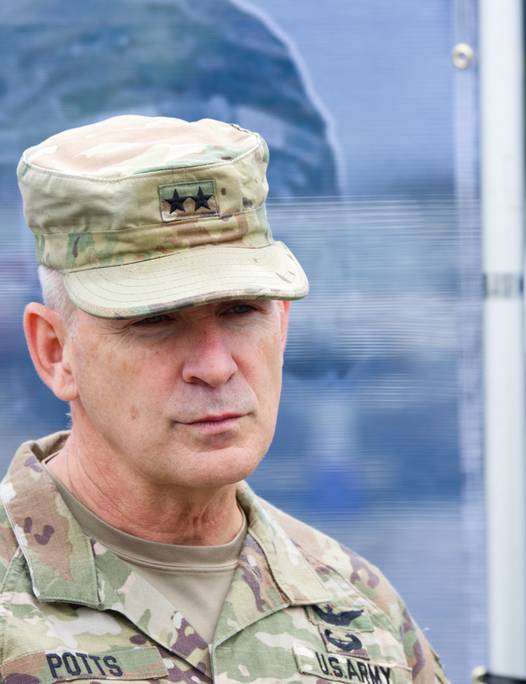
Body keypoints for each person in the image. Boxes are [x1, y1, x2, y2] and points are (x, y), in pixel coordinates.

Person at [3, 115, 448, 683]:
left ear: (282, 325)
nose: (214, 366)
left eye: (242, 311)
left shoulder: (361, 609)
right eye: (155, 321)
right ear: (55, 351)